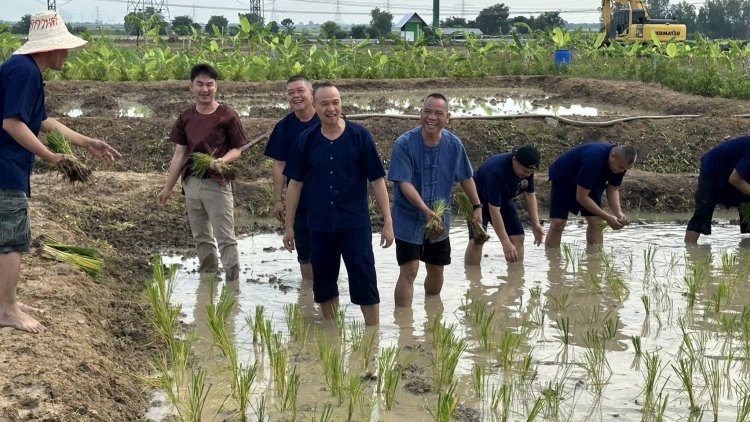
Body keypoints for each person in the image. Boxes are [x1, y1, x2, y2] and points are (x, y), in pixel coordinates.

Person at [0, 11, 121, 334]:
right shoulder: (24, 72)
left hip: (11, 166)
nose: (67, 55)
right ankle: (7, 310)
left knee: (9, 235)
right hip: (5, 168)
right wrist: (52, 156)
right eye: (64, 48)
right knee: (12, 240)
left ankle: (5, 299)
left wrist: (85, 142)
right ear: (49, 48)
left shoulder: (25, 69)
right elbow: (11, 123)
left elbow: (40, 120)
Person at [282, 82, 394, 326]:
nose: (331, 108)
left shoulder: (360, 136)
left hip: (355, 224)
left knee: (364, 278)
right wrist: (289, 226)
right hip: (320, 226)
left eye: (336, 102)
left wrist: (388, 221)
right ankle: (331, 334)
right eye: (324, 104)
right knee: (323, 283)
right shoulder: (307, 139)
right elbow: (295, 185)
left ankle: (372, 334)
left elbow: (376, 180)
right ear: (314, 105)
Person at [388, 93, 483, 308]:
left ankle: (432, 314)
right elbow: (404, 183)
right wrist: (425, 210)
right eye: (428, 112)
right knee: (409, 270)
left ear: (447, 117)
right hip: (408, 217)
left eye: (438, 113)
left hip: (440, 219)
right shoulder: (404, 144)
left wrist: (477, 206)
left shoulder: (454, 144)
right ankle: (404, 323)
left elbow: (466, 177)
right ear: (420, 114)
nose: (432, 117)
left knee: (436, 268)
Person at [157, 64, 248, 282]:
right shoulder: (186, 117)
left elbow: (237, 149)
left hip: (217, 183)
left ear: (216, 86)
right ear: (191, 87)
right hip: (191, 183)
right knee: (201, 236)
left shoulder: (227, 116)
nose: (205, 89)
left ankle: (232, 284)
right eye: (200, 84)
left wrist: (221, 161)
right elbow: (179, 155)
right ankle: (208, 279)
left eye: (209, 84)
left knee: (225, 236)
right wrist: (168, 188)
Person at [264, 75, 319, 281]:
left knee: (327, 250)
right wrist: (278, 199)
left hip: (327, 196)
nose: (296, 96)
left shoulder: (328, 121)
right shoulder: (284, 127)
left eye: (300, 90)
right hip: (299, 200)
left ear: (311, 94)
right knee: (304, 254)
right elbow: (279, 165)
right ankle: (309, 293)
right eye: (290, 92)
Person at [545, 143, 637, 247]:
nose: (621, 171)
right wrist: (607, 217)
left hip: (592, 181)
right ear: (613, 156)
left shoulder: (621, 165)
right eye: (620, 167)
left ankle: (595, 260)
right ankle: (552, 261)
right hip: (566, 178)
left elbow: (613, 190)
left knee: (596, 222)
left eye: (625, 169)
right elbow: (581, 197)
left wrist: (619, 214)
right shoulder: (593, 160)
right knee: (558, 223)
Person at [464, 145, 545, 264]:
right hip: (478, 201)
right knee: (477, 240)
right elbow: (494, 211)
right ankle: (473, 279)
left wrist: (536, 224)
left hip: (503, 200)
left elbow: (530, 195)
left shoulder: (527, 170)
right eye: (525, 171)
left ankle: (515, 278)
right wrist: (505, 242)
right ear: (515, 161)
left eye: (531, 172)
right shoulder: (496, 172)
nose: (528, 175)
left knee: (518, 238)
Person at [685, 136, 750, 243]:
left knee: (748, 210)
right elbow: (735, 179)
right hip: (714, 170)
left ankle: (746, 252)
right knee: (703, 212)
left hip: (737, 172)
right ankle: (690, 250)